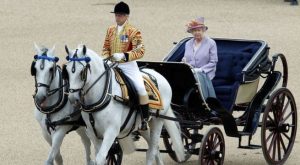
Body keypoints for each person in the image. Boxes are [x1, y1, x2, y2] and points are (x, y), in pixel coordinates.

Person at [102, 1, 149, 130]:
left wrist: (124, 56)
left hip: (128, 66)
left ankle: (144, 118)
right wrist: (107, 57)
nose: (118, 18)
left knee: (140, 88)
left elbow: (140, 50)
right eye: (116, 15)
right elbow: (106, 47)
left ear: (127, 16)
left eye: (121, 15)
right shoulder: (110, 30)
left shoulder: (134, 31)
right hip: (112, 63)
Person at [182, 17, 218, 100]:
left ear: (203, 30)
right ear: (191, 32)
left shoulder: (211, 43)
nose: (197, 32)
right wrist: (184, 61)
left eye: (199, 30)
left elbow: (213, 62)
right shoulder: (188, 43)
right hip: (191, 72)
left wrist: (201, 70)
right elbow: (186, 58)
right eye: (194, 31)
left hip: (206, 73)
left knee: (197, 77)